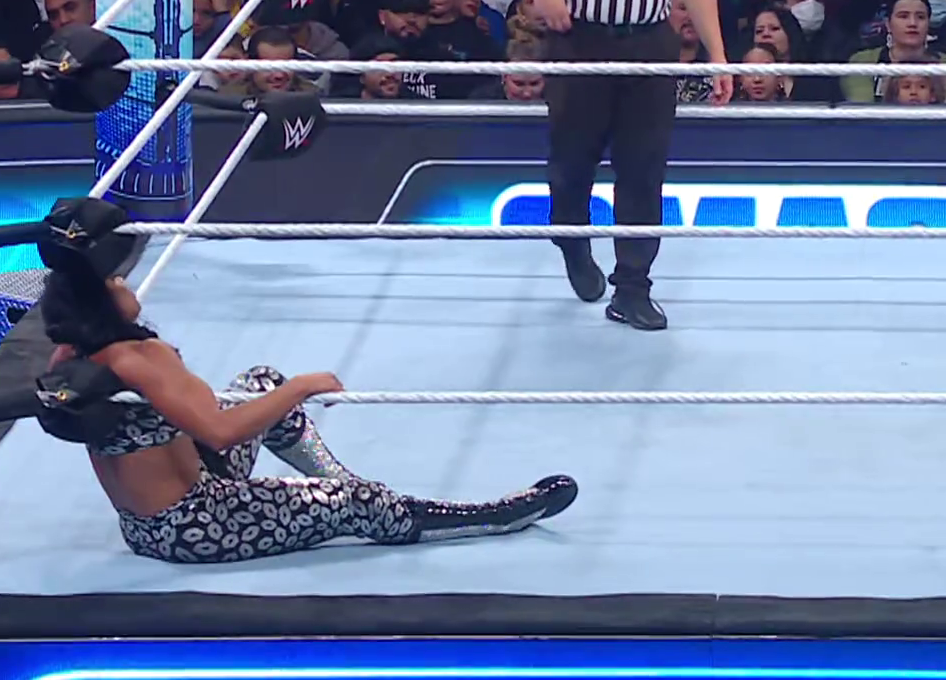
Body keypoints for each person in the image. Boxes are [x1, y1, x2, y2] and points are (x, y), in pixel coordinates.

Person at [35, 220, 576, 564]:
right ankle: (493, 516)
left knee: (260, 383)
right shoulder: (136, 360)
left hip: (149, 521)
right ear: (100, 303)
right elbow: (220, 432)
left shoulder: (72, 354)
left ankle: (339, 481)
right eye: (113, 281)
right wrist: (301, 387)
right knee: (356, 501)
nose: (125, 283)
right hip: (196, 522)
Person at [498, 0, 733, 333]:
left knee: (644, 168)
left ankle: (632, 287)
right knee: (572, 163)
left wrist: (718, 55)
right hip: (582, 39)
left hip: (651, 43)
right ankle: (572, 239)